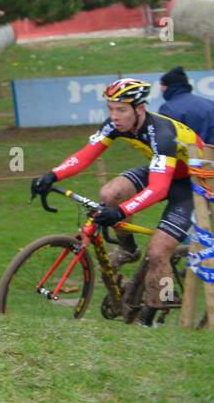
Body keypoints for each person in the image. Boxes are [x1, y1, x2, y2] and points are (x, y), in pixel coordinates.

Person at [30, 78, 204, 327]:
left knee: (157, 251)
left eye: (121, 109)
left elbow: (158, 188)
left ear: (139, 109)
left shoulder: (162, 133)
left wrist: (120, 212)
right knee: (109, 193)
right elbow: (85, 155)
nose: (114, 116)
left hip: (191, 183)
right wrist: (52, 175)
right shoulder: (116, 124)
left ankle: (152, 318)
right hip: (164, 170)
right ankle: (128, 249)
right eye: (111, 109)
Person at [158, 66, 214, 150]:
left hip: (188, 159)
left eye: (162, 85)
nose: (161, 89)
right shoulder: (212, 104)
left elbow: (165, 141)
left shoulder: (168, 108)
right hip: (213, 157)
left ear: (170, 86)